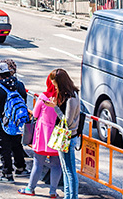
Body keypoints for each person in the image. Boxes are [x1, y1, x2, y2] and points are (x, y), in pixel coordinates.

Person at [18, 77, 62, 198]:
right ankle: (53, 192)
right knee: (56, 165)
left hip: (42, 134)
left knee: (38, 163)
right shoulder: (62, 98)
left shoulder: (43, 97)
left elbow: (36, 113)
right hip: (57, 136)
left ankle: (30, 188)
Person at [0, 61, 29, 183]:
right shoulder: (19, 85)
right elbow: (24, 100)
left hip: (1, 122)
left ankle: (7, 174)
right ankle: (21, 168)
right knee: (17, 144)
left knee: (4, 148)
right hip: (16, 122)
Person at [44, 69, 80, 199]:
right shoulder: (70, 94)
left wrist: (55, 107)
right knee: (66, 170)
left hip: (68, 137)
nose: (54, 86)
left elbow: (67, 121)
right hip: (66, 137)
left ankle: (72, 197)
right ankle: (68, 196)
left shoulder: (71, 98)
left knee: (70, 171)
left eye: (55, 84)